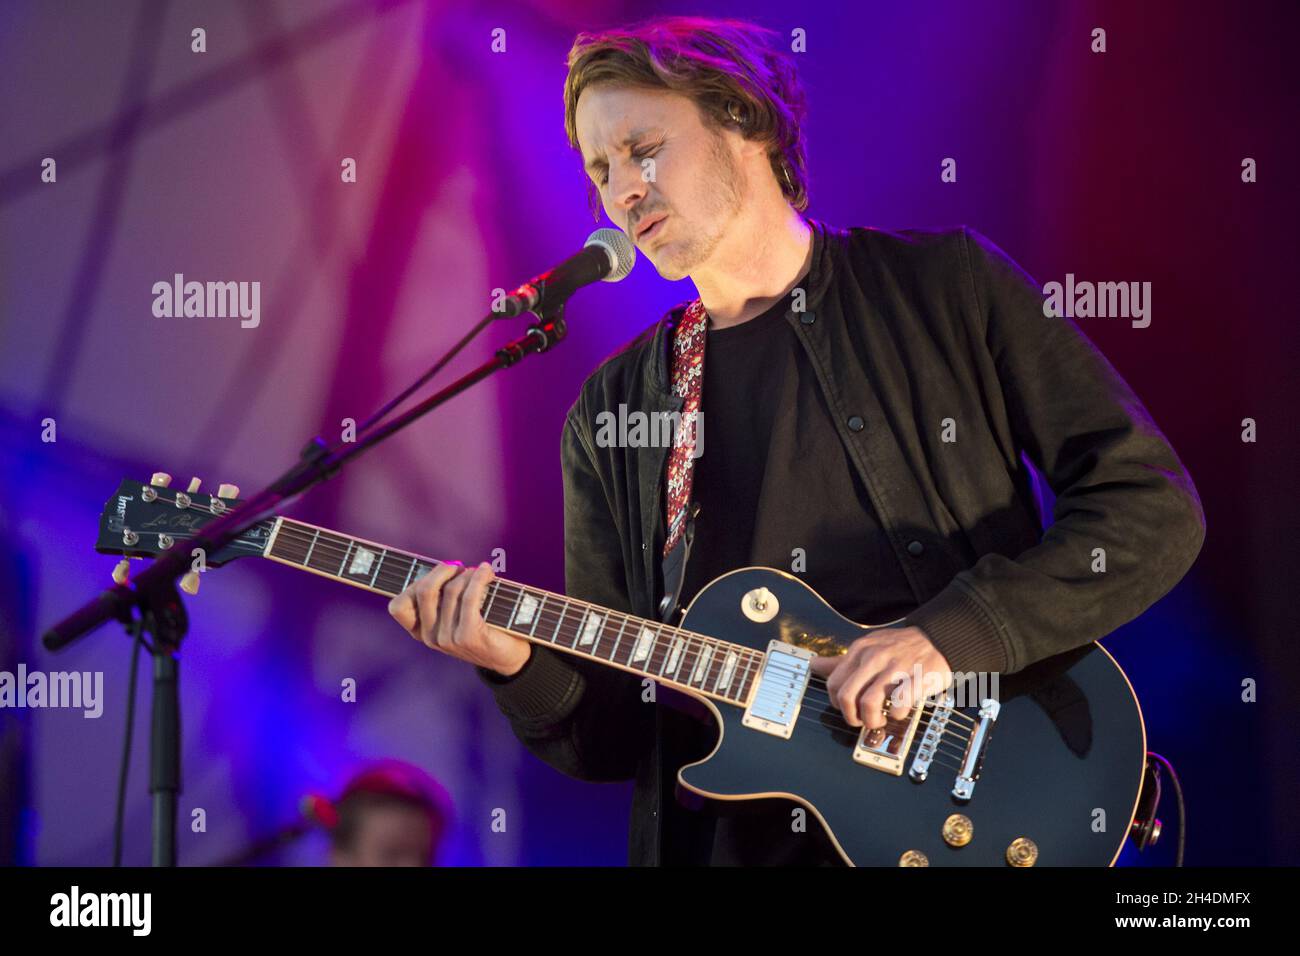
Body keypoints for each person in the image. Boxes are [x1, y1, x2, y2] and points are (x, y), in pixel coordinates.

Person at [386, 15, 1204, 865]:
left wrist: (948, 641)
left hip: (978, 809)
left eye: (643, 148)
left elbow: (1150, 508)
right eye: (601, 169)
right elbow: (616, 737)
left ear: (746, 120)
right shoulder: (614, 408)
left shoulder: (947, 288)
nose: (621, 191)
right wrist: (513, 661)